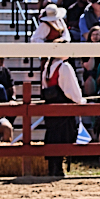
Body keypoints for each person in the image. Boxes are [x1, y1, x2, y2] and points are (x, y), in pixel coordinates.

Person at [38, 26, 85, 176]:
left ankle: (54, 168)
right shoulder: (64, 67)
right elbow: (72, 91)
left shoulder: (47, 67)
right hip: (64, 110)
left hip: (51, 110)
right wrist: (80, 101)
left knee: (53, 137)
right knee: (63, 138)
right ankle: (57, 169)